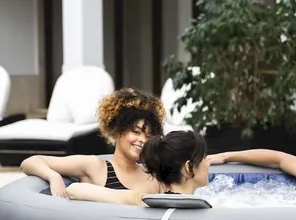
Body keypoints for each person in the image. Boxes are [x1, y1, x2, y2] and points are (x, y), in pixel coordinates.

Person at [20, 88, 165, 197]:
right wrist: (53, 177)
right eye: (136, 132)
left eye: (148, 136)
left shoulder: (152, 177)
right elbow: (30, 162)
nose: (142, 140)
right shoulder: (95, 166)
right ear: (118, 130)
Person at [66, 130, 209, 206]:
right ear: (189, 168)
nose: (207, 163)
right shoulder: (208, 209)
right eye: (203, 158)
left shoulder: (148, 203)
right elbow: (74, 189)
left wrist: (138, 199)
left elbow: (73, 189)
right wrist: (137, 198)